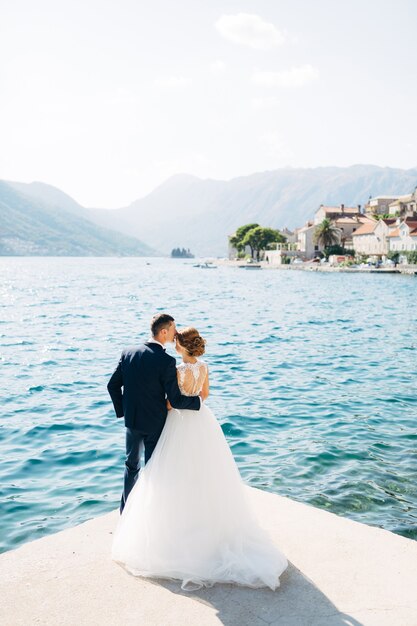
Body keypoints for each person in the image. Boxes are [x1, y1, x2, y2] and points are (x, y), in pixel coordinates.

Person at [111, 326, 288, 591]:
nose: (173, 343)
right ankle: (207, 523)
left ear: (181, 346)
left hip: (178, 422)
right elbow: (204, 396)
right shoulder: (203, 367)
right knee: (205, 471)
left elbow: (172, 401)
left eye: (176, 341)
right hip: (203, 421)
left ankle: (169, 522)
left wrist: (161, 405)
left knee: (169, 470)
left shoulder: (177, 369)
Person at [107, 313, 202, 513]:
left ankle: (126, 512)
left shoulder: (128, 352)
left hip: (132, 421)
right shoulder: (165, 361)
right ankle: (151, 513)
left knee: (131, 466)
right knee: (153, 469)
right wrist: (198, 402)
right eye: (174, 329)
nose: (176, 333)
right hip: (155, 424)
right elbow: (175, 400)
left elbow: (112, 386)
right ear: (164, 332)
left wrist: (124, 411)